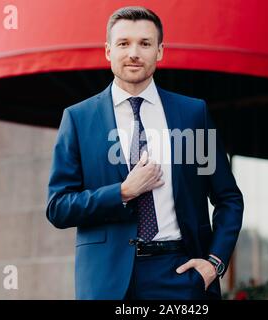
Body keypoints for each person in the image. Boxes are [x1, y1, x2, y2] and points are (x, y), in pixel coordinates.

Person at [46, 6, 244, 300]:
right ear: (108, 51)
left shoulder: (192, 114)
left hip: (180, 275)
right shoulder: (78, 118)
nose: (134, 53)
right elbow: (59, 207)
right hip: (106, 281)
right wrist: (123, 192)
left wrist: (214, 263)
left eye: (145, 43)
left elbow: (228, 198)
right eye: (124, 43)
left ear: (160, 51)